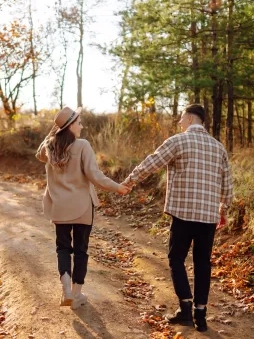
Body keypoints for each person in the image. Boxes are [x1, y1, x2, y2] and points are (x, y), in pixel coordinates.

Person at [121, 104, 233, 331]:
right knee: (203, 263)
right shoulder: (218, 148)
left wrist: (130, 180)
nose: (180, 122)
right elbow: (227, 184)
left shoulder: (179, 141)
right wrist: (223, 210)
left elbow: (152, 163)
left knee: (176, 259)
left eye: (182, 118)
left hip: (183, 214)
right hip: (208, 216)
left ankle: (185, 309)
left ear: (191, 118)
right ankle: (201, 316)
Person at [36, 106, 130, 309]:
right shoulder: (83, 145)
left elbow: (39, 154)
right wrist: (117, 187)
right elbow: (95, 176)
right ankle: (76, 294)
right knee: (80, 250)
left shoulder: (49, 147)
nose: (82, 126)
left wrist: (56, 130)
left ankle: (66, 290)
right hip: (82, 207)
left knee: (62, 248)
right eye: (79, 122)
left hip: (59, 206)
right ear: (70, 126)